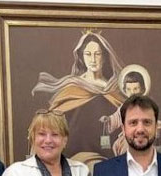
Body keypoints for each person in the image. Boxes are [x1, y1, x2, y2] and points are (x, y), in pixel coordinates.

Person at [32, 30, 126, 162]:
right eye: (88, 54)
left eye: (97, 54)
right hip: (76, 157)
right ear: (81, 57)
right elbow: (55, 122)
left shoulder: (115, 89)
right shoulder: (73, 87)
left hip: (111, 157)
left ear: (104, 57)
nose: (93, 59)